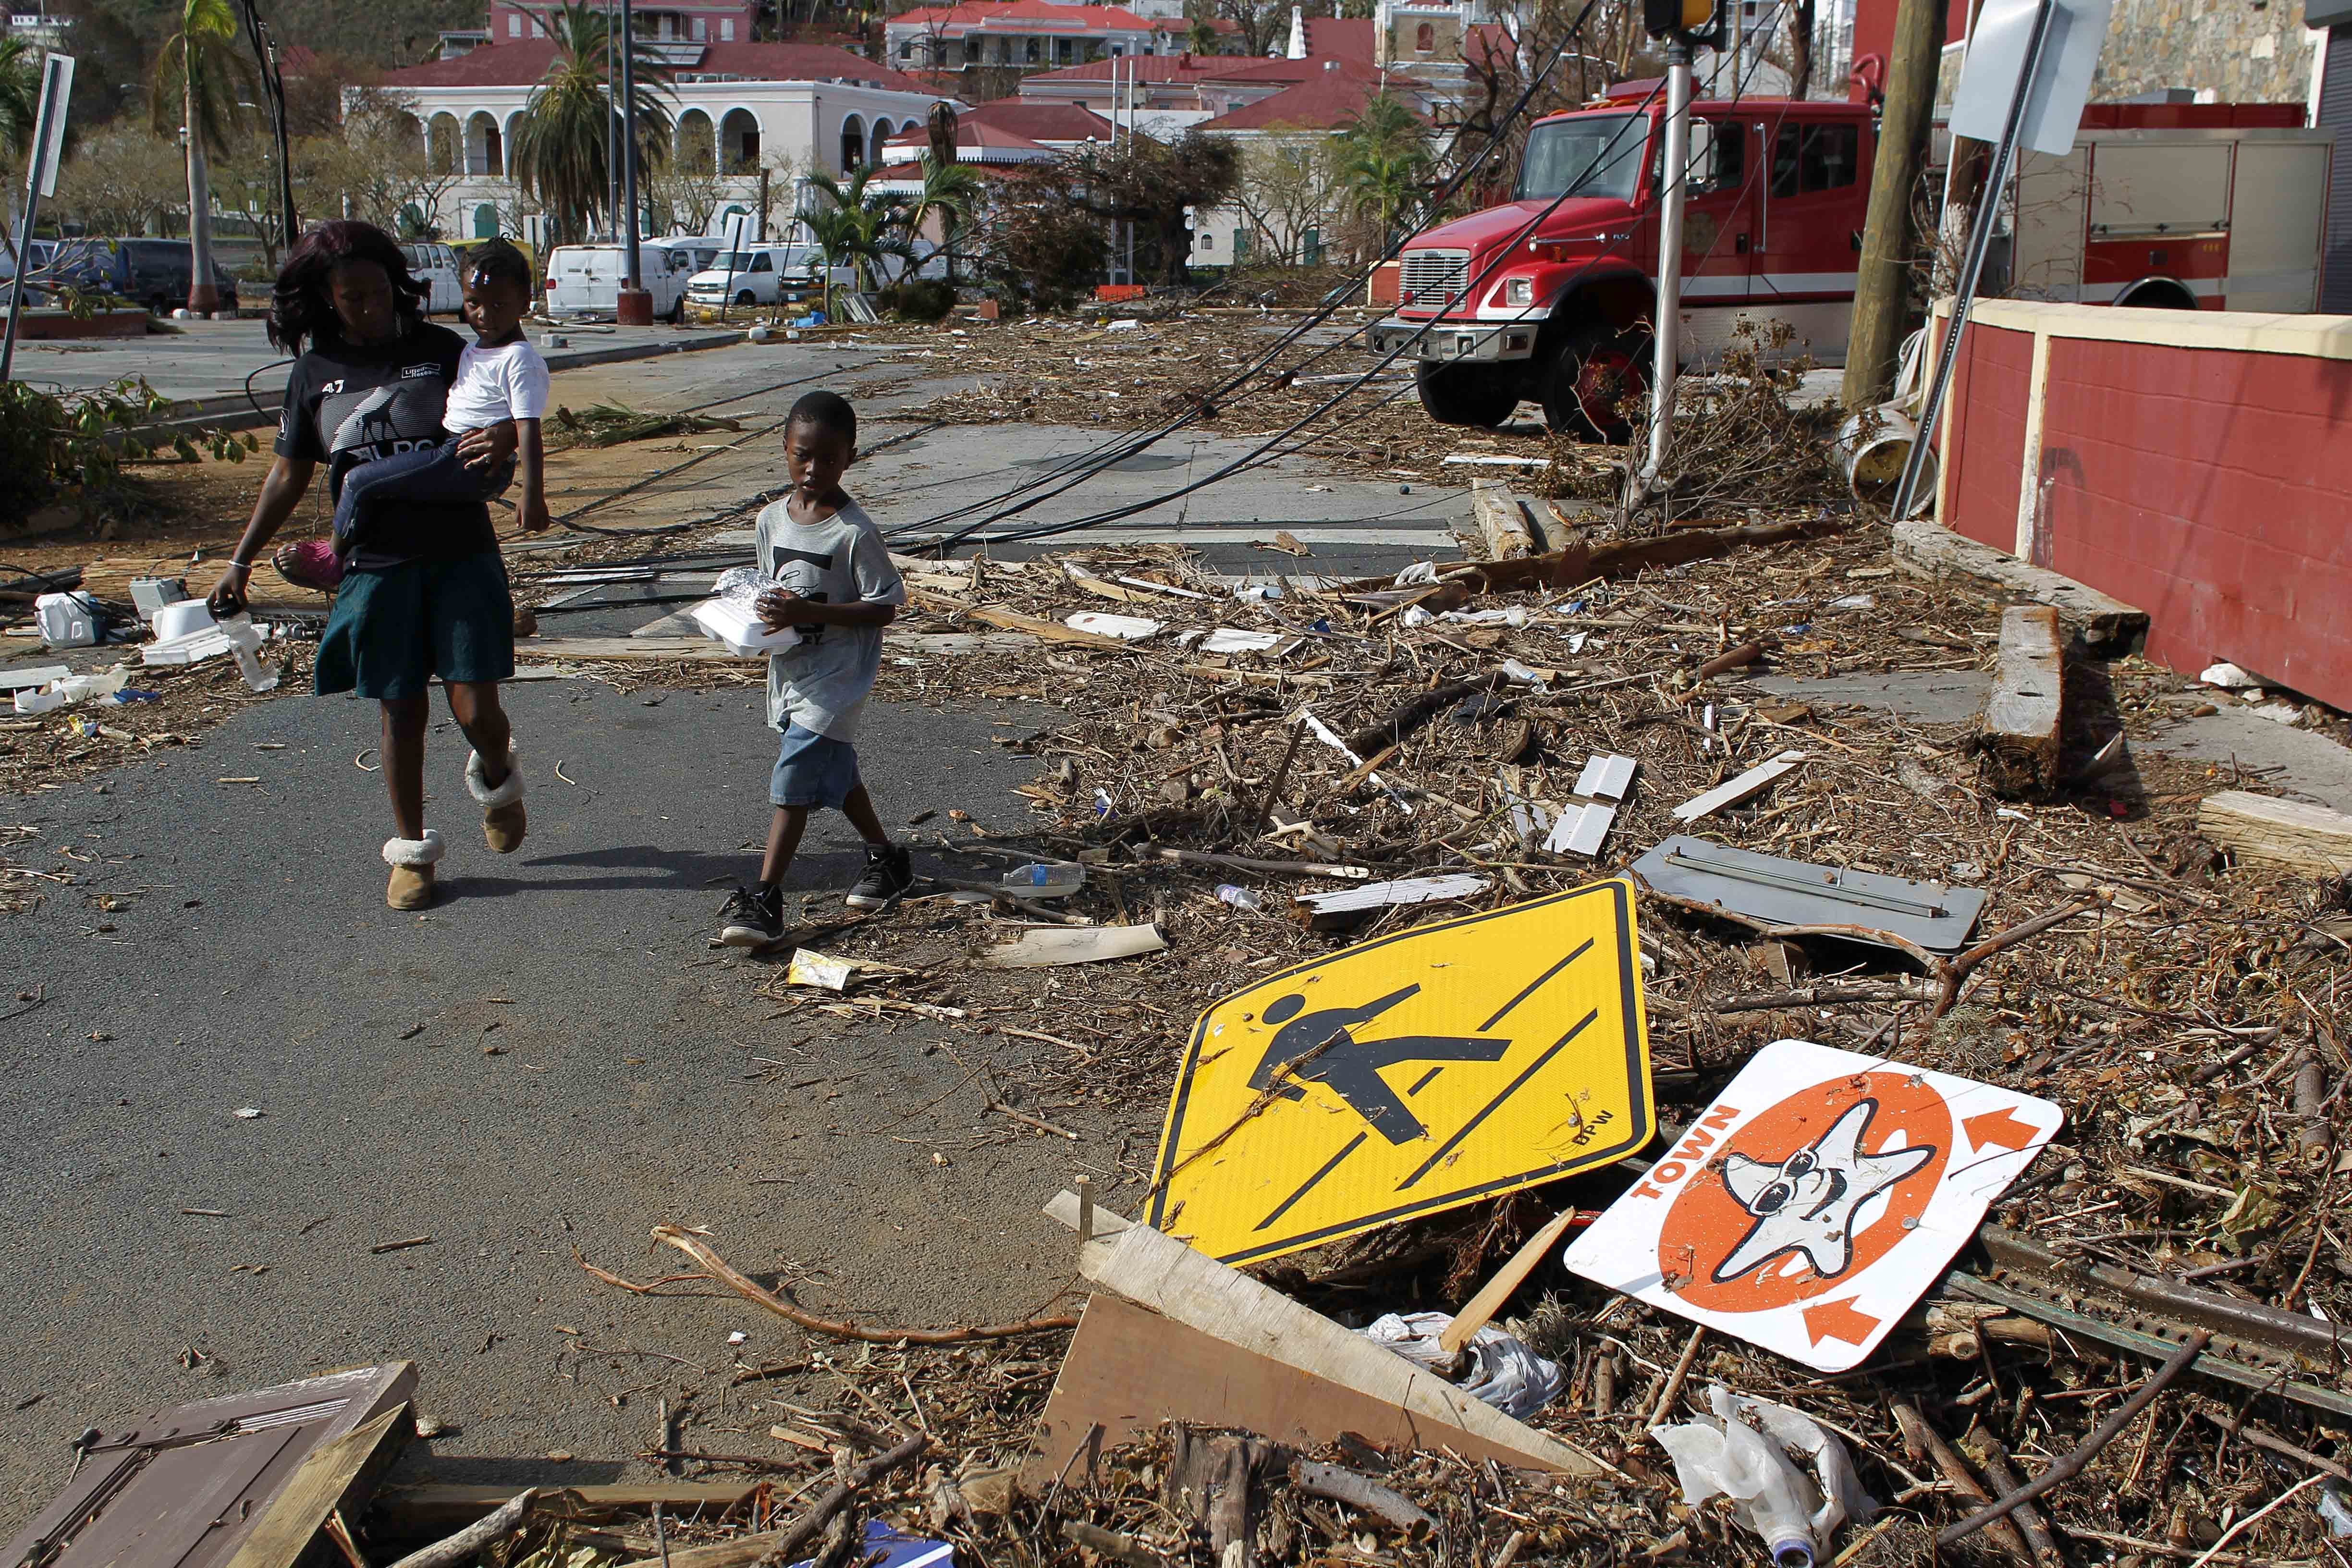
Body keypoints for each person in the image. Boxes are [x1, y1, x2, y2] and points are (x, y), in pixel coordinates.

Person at [208, 221, 529, 912]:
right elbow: (287, 475)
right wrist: (240, 561)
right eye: (351, 295)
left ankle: (498, 775)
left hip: (460, 552)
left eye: (377, 290)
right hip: (375, 566)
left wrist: (505, 440)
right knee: (400, 710)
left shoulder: (445, 351)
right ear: (327, 299)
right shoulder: (314, 374)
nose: (368, 305)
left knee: (476, 707)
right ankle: (413, 850)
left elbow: (510, 415)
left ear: (396, 286)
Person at [717, 391, 914, 946]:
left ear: (849, 458)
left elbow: (885, 607)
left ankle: (764, 898)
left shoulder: (854, 532)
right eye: (803, 455)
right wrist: (751, 624)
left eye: (828, 459)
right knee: (833, 769)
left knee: (795, 777)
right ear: (784, 450)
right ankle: (888, 858)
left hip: (839, 675)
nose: (813, 469)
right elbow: (767, 592)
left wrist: (809, 612)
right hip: (792, 671)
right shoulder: (769, 521)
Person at [325, 238, 552, 554]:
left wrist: (532, 494)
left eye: (498, 305)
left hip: (464, 461)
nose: (484, 315)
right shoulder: (475, 350)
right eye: (474, 303)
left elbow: (528, 427)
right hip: (457, 455)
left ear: (525, 302)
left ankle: (332, 560)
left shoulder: (518, 358)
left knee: (358, 481)